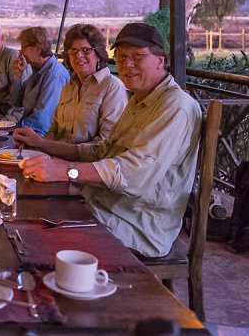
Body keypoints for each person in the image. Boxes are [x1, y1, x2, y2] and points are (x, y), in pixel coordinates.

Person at [18, 23, 201, 257]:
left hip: (137, 225)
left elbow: (135, 173)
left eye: (137, 56)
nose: (127, 64)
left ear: (160, 60)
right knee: (26, 213)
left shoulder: (175, 106)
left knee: (35, 240)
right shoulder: (138, 100)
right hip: (104, 204)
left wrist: (67, 171)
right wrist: (43, 148)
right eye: (122, 57)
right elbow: (102, 150)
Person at [14, 24, 127, 150]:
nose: (78, 55)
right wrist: (35, 148)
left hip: (82, 164)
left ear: (98, 53)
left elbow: (105, 144)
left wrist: (43, 146)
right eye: (73, 51)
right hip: (56, 157)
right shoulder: (69, 88)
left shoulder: (112, 88)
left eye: (86, 50)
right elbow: (54, 131)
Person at [9, 27, 73, 135]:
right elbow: (17, 102)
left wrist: (11, 129)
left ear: (38, 48)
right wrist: (17, 77)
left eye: (23, 47)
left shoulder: (55, 75)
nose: (21, 52)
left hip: (42, 138)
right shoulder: (37, 71)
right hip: (28, 131)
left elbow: (41, 122)